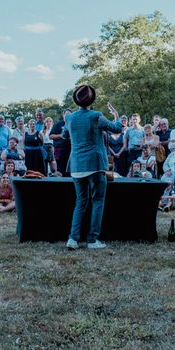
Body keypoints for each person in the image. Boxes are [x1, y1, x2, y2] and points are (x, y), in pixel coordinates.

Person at [63, 85, 123, 250]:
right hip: (95, 165)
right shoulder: (96, 116)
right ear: (92, 100)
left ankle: (73, 239)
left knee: (80, 202)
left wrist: (65, 119)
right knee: (97, 201)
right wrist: (116, 115)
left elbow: (63, 135)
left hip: (76, 165)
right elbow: (117, 129)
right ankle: (92, 240)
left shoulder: (70, 118)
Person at [50, 110, 72, 177]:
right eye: (66, 114)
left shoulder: (74, 124)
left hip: (71, 150)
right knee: (60, 169)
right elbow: (50, 136)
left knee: (70, 169)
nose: (68, 116)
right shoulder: (58, 124)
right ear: (63, 115)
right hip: (60, 150)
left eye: (69, 115)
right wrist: (61, 135)